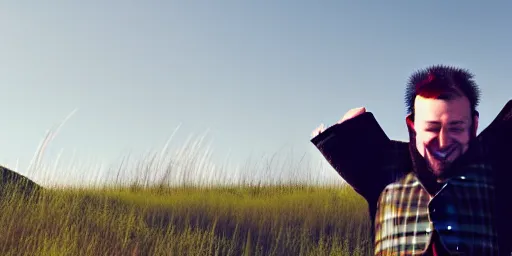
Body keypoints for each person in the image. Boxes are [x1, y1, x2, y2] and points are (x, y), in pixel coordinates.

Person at [310, 65, 512, 255]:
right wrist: (347, 136)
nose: (443, 143)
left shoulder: (497, 171)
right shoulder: (385, 169)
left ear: (474, 125)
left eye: (456, 127)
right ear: (413, 126)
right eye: (432, 128)